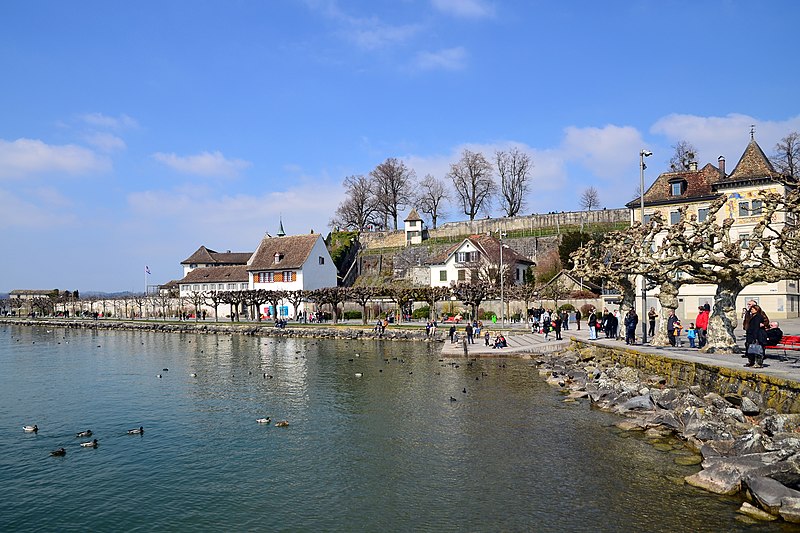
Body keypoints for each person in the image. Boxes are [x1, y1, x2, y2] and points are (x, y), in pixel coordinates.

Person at [745, 303, 769, 368]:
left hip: (756, 335)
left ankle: (758, 363)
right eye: (751, 309)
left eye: (753, 309)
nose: (752, 310)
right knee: (751, 349)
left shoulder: (758, 317)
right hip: (751, 334)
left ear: (757, 310)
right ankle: (751, 362)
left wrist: (755, 337)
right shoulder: (751, 316)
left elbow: (756, 327)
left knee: (757, 350)